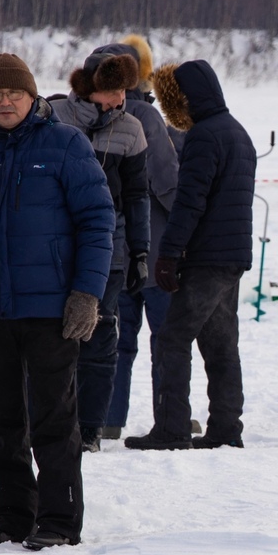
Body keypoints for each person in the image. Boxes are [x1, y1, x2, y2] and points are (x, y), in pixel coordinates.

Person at [0, 53, 115, 550]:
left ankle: (59, 520)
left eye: (13, 92)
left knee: (54, 418)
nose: (4, 101)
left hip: (52, 311)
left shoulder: (65, 145)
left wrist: (86, 294)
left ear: (33, 95)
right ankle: (12, 519)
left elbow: (98, 223)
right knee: (4, 420)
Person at [124, 60, 256, 450]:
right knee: (220, 345)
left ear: (182, 98)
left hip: (206, 258)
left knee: (172, 339)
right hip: (232, 257)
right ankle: (226, 429)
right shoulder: (238, 133)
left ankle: (172, 429)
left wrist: (168, 253)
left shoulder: (203, 136)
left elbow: (189, 202)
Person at [50, 48, 152, 452]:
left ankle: (90, 428)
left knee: (99, 334)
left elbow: (138, 196)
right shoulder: (54, 116)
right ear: (92, 88)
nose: (121, 99)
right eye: (113, 91)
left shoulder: (131, 129)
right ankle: (51, 421)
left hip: (110, 248)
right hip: (56, 246)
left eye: (125, 90)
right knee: (52, 338)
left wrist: (140, 253)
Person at [105, 36, 181, 440]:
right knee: (166, 343)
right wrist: (189, 226)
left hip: (110, 253)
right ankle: (168, 419)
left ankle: (108, 417)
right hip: (152, 253)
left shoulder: (84, 115)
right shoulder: (146, 119)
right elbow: (167, 182)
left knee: (117, 340)